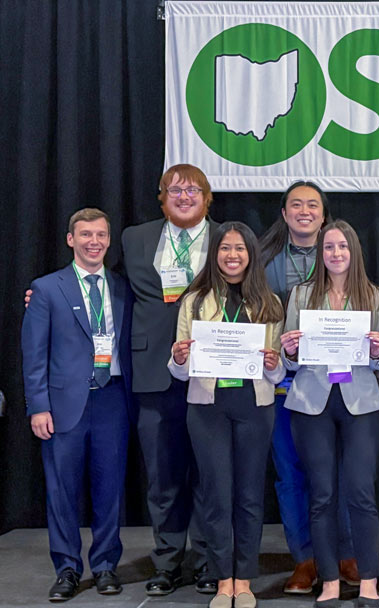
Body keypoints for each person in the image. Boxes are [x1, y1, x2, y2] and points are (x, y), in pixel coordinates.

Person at [168, 221, 286, 608]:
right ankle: (223, 581)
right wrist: (179, 358)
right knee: (217, 495)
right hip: (207, 407)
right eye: (225, 248)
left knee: (250, 495)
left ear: (251, 255)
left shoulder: (269, 302)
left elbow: (279, 371)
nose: (232, 255)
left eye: (240, 249)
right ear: (214, 253)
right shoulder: (194, 300)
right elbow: (179, 367)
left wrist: (272, 363)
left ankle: (245, 581)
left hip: (255, 407)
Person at [22, 208, 133, 601]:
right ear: (71, 239)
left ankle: (105, 566)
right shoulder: (47, 288)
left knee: (109, 491)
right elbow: (33, 354)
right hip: (63, 404)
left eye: (101, 235)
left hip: (113, 401)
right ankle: (67, 569)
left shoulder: (123, 287)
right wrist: (38, 406)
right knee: (62, 492)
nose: (94, 242)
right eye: (85, 234)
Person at [280, 220, 379, 608]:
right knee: (322, 495)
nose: (336, 254)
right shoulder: (301, 295)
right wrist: (290, 349)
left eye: (342, 246)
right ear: (320, 254)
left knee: (361, 493)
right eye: (329, 248)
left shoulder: (374, 295)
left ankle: (369, 581)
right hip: (312, 402)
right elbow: (288, 361)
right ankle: (328, 580)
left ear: (353, 251)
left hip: (360, 403)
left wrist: (378, 350)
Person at [121, 164, 218, 594]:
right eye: (174, 189)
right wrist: (44, 294)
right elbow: (105, 283)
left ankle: (207, 562)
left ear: (207, 197)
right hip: (154, 372)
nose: (183, 196)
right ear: (161, 198)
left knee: (208, 474)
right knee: (163, 477)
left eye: (192, 189)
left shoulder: (227, 239)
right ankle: (166, 562)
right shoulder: (133, 238)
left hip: (211, 372)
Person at [260, 182, 360, 593]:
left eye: (312, 205)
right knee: (291, 474)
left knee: (341, 473)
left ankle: (347, 554)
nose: (304, 211)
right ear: (284, 214)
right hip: (284, 385)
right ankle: (304, 558)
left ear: (323, 214)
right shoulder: (263, 263)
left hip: (338, 385)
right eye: (295, 205)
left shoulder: (343, 257)